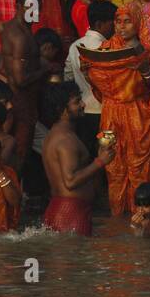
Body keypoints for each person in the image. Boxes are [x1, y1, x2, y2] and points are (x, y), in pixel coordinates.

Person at [79, 3, 150, 216]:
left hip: (139, 114)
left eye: (127, 22)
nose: (121, 27)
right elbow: (101, 87)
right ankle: (117, 222)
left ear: (136, 22)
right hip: (111, 113)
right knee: (114, 168)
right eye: (118, 22)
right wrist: (89, 73)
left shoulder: (149, 49)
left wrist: (145, 71)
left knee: (139, 169)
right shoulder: (106, 48)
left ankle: (143, 218)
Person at [41, 81, 114, 235]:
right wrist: (100, 161)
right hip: (70, 214)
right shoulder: (65, 140)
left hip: (63, 210)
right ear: (62, 109)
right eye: (76, 102)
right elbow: (70, 181)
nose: (83, 105)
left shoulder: (55, 134)